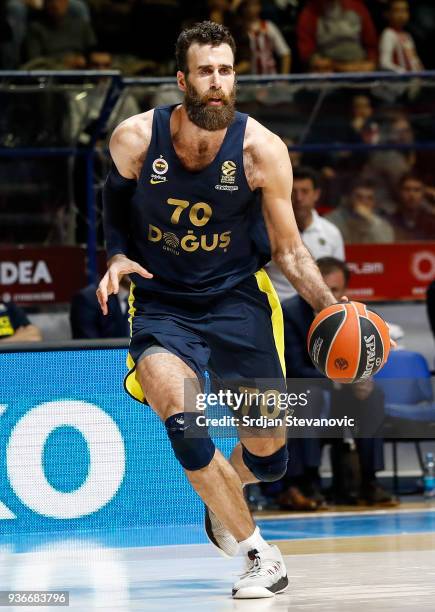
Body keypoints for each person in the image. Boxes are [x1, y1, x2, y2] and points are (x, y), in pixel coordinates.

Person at [96, 21, 348, 599]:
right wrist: (114, 255)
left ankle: (226, 494)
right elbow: (113, 198)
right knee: (183, 423)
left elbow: (289, 249)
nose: (217, 82)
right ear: (182, 78)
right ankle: (261, 555)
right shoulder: (136, 138)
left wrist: (331, 310)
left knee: (269, 451)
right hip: (162, 303)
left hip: (239, 298)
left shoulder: (262, 149)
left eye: (226, 71)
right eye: (206, 71)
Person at [282, 257, 396, 506]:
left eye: (336, 290)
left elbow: (367, 358)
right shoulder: (290, 313)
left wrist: (363, 378)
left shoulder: (358, 317)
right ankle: (306, 484)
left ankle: (370, 481)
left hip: (340, 395)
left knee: (373, 394)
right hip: (304, 392)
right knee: (308, 396)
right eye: (325, 288)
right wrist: (341, 379)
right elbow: (293, 370)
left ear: (344, 290)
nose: (329, 295)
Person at [266, 166, 345, 302]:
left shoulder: (331, 232)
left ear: (316, 194)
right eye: (293, 191)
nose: (299, 198)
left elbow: (338, 277)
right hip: (279, 307)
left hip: (318, 306)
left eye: (305, 191)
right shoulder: (267, 230)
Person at [296, 0, 378, 73]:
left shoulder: (357, 7)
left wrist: (371, 62)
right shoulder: (309, 14)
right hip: (328, 73)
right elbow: (307, 54)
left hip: (360, 68)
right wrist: (318, 62)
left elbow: (371, 45)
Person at [23, 0, 96, 69]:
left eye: (59, 0)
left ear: (66, 2)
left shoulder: (82, 25)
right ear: (45, 3)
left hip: (80, 71)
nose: (55, 4)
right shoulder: (35, 29)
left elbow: (94, 53)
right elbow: (34, 62)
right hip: (50, 73)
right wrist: (63, 63)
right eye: (51, 1)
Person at [326, 179, 395, 243]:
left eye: (369, 198)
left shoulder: (379, 221)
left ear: (374, 201)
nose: (364, 202)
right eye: (359, 197)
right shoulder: (333, 219)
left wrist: (371, 220)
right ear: (349, 198)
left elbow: (386, 245)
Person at [235, 0, 291, 74]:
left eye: (254, 5)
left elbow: (285, 53)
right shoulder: (238, 30)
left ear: (260, 6)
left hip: (270, 78)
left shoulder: (269, 26)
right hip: (249, 80)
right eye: (247, 5)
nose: (251, 9)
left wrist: (284, 79)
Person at [379, 0, 423, 73]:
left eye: (404, 10)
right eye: (397, 10)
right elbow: (384, 63)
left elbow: (414, 59)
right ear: (387, 14)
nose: (401, 15)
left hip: (413, 79)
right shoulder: (388, 34)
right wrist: (402, 72)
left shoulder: (407, 35)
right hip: (401, 81)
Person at [388, 173, 435, 241]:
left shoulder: (432, 223)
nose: (411, 195)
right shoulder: (389, 223)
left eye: (416, 190)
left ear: (423, 194)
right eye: (407, 189)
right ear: (399, 192)